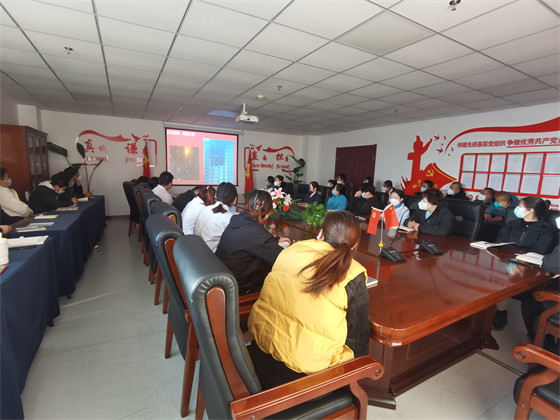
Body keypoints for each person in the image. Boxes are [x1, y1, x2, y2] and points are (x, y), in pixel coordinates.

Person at [247, 211, 371, 389]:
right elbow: (358, 339)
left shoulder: (291, 250)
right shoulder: (353, 274)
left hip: (259, 352)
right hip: (302, 377)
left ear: (320, 234)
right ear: (356, 244)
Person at [493, 196, 556, 330]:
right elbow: (499, 242)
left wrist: (516, 256)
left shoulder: (545, 230)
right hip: (506, 260)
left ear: (531, 210)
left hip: (529, 267)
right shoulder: (512, 224)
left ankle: (501, 313)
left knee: (503, 281)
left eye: (520, 206)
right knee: (494, 276)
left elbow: (539, 252)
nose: (517, 208)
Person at [216, 190, 289, 295]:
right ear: (268, 212)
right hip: (241, 289)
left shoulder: (239, 220)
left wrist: (275, 240)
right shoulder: (255, 232)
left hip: (226, 281)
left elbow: (254, 241)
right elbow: (282, 259)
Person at [194, 182, 237, 252]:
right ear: (235, 199)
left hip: (196, 250)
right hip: (210, 256)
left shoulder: (205, 209)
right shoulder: (230, 219)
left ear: (216, 195)